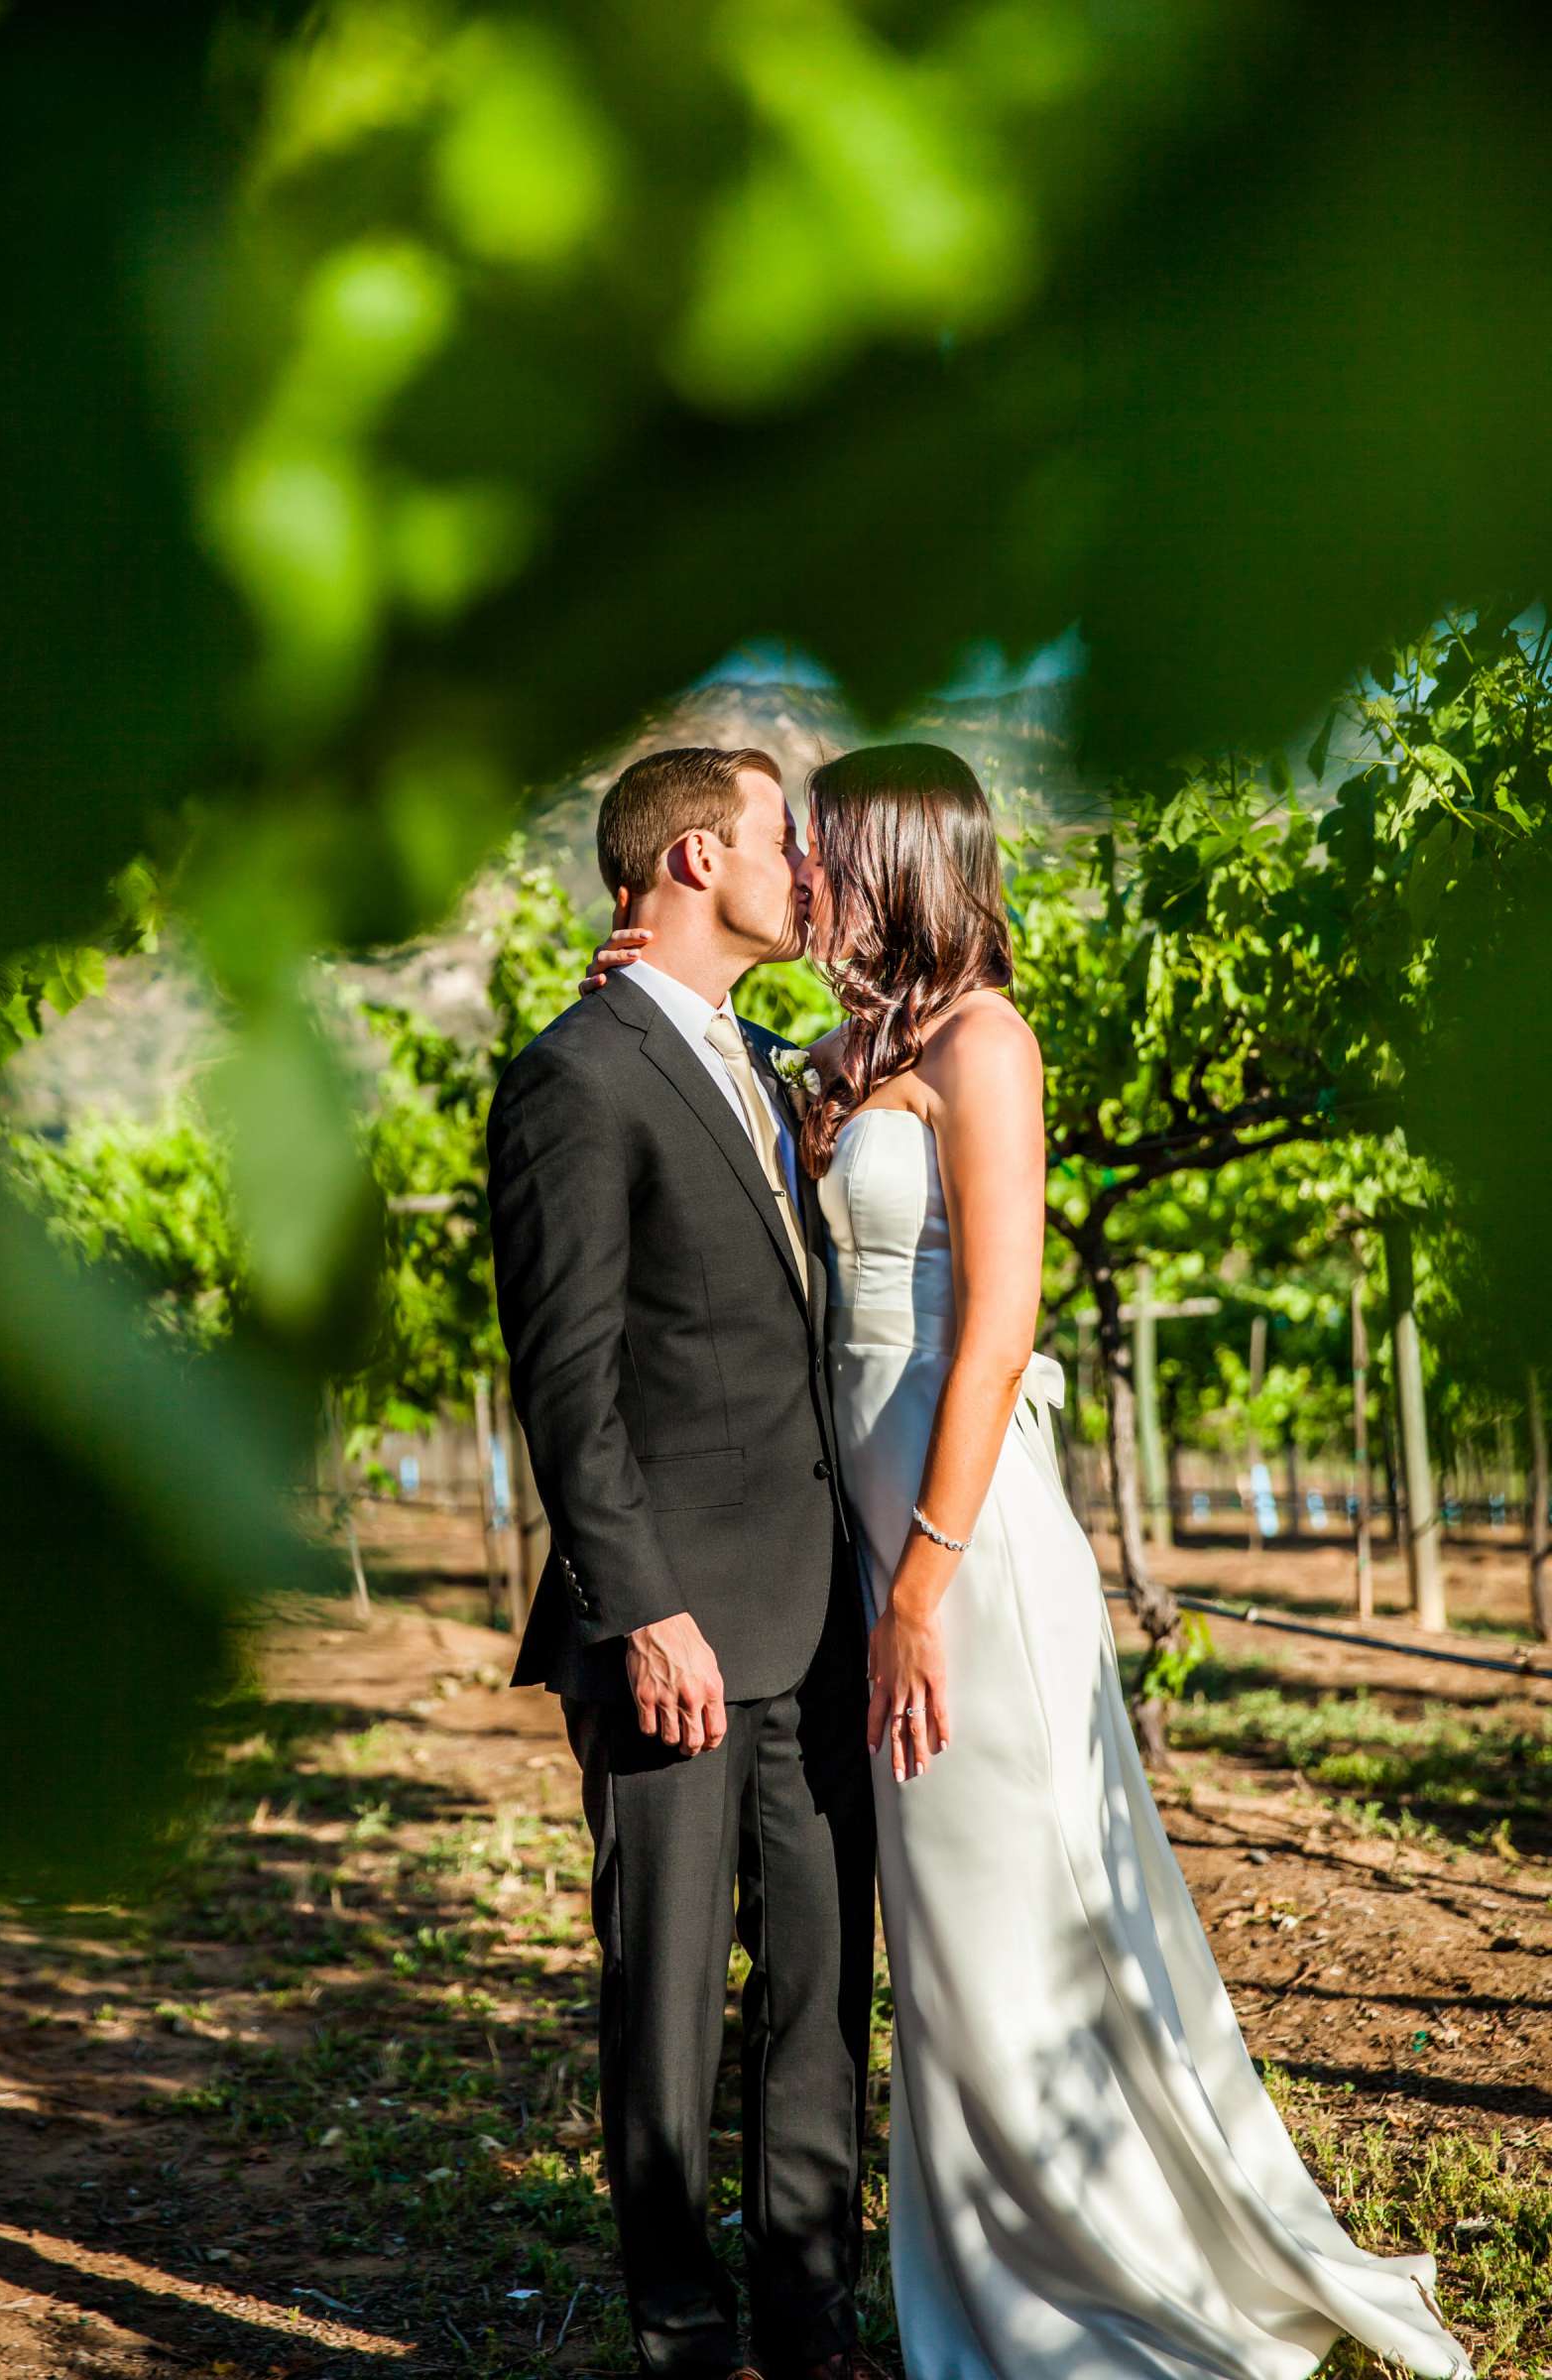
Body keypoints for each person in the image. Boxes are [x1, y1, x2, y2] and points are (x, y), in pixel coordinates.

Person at [586, 740, 1474, 2380]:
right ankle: (980, 2270)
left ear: (908, 860)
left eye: (832, 848)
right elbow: (734, 1115)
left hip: (962, 1549)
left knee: (1012, 1902)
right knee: (933, 1934)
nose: (811, 875)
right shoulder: (854, 1047)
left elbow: (995, 1332)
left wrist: (922, 1583)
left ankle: (1091, 2280)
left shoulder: (990, 1042)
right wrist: (655, 991)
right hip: (858, 1554)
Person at [486, 746, 877, 2380]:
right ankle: (681, 2334)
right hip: (676, 1626)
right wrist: (641, 1606)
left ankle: (808, 2314)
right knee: (660, 2002)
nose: (811, 877)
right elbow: (564, 1384)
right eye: (789, 845)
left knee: (820, 1990)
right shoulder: (573, 1076)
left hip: (817, 1610)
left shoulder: (766, 1060)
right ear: (698, 856)